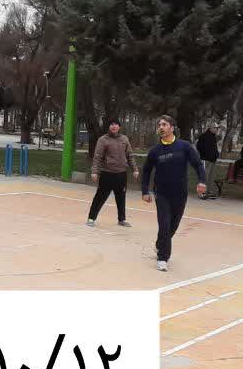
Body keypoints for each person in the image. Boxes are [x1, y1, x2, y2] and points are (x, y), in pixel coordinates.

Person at [141, 115, 208, 272]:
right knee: (164, 225)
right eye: (159, 125)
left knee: (173, 226)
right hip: (161, 193)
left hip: (180, 193)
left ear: (172, 128)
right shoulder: (155, 151)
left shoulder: (184, 146)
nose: (161, 127)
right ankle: (163, 258)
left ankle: (160, 244)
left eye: (164, 124)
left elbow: (198, 164)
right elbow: (146, 171)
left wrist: (202, 181)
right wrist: (145, 191)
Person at [87, 118, 139, 227]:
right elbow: (97, 157)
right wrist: (94, 171)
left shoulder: (124, 139)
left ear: (119, 127)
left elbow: (130, 155)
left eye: (116, 124)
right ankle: (91, 218)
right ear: (109, 126)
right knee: (100, 197)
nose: (114, 126)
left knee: (121, 198)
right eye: (111, 124)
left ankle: (122, 220)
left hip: (121, 174)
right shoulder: (103, 140)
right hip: (107, 173)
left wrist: (135, 169)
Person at [195, 126, 220, 200]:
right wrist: (204, 154)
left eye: (217, 128)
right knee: (204, 176)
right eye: (215, 128)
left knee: (211, 177)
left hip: (213, 160)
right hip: (205, 159)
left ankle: (209, 192)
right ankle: (201, 193)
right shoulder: (203, 136)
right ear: (210, 128)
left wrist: (216, 155)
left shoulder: (213, 137)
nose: (216, 129)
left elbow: (214, 148)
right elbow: (199, 147)